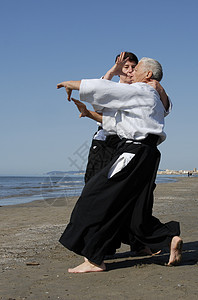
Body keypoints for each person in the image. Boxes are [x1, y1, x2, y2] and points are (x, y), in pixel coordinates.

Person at [57, 56, 183, 273]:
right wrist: (89, 114)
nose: (131, 74)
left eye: (136, 70)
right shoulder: (155, 96)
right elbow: (119, 120)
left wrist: (72, 84)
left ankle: (95, 260)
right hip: (148, 154)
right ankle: (169, 238)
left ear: (148, 75)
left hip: (133, 152)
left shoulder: (142, 90)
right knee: (135, 211)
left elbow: (104, 90)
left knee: (94, 197)